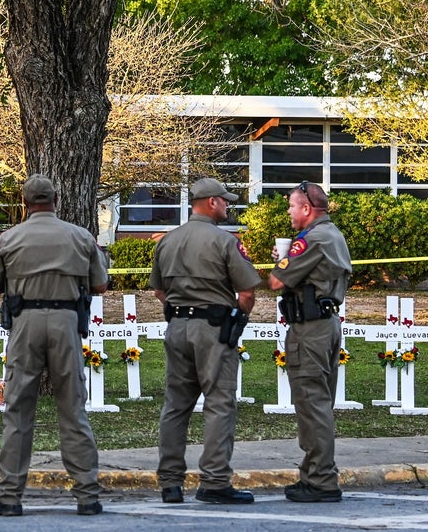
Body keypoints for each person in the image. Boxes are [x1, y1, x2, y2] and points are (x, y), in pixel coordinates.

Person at [0, 174, 109, 517]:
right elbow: (100, 284)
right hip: (67, 321)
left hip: (25, 323)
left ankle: (9, 496)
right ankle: (87, 494)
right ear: (55, 199)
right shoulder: (80, 236)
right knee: (73, 408)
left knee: (18, 409)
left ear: (24, 202)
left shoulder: (9, 238)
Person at [149, 177, 261, 505]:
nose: (228, 205)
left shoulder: (167, 241)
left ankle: (170, 482)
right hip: (213, 329)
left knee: (176, 405)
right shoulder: (224, 241)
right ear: (211, 202)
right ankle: (214, 480)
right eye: (224, 200)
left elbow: (159, 290)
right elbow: (248, 292)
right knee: (219, 403)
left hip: (178, 326)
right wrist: (237, 318)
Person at [269, 181, 351, 503]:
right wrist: (288, 259)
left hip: (310, 330)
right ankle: (315, 473)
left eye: (291, 206)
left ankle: (321, 481)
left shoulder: (311, 239)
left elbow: (276, 281)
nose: (288, 211)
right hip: (327, 325)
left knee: (311, 403)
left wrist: (284, 261)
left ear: (306, 209)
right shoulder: (332, 234)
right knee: (320, 403)